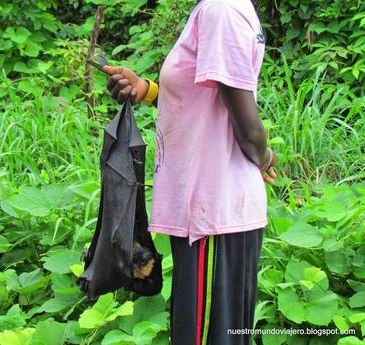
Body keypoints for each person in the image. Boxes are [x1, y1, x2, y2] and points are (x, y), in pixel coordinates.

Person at [103, 0, 277, 344]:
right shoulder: (217, 8)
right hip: (211, 212)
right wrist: (149, 90)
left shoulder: (220, 9)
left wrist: (265, 155)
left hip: (212, 213)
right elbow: (203, 99)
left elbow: (249, 128)